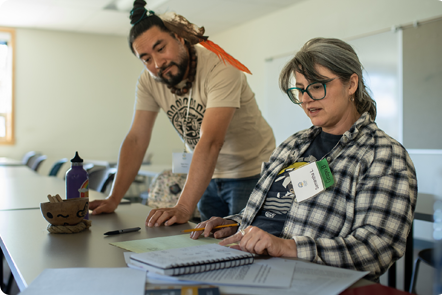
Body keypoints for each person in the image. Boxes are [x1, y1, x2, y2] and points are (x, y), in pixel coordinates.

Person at [190, 37, 417, 282]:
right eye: (299, 88)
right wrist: (235, 223)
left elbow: (375, 250)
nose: (305, 98)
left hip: (308, 279)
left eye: (317, 86)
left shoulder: (384, 155)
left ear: (351, 84)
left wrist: (287, 247)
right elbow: (273, 211)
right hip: (250, 265)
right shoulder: (292, 144)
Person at [89, 0, 276, 226]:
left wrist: (184, 207)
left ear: (179, 38)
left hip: (250, 171)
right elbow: (137, 138)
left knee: (245, 246)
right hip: (206, 175)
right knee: (210, 247)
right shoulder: (148, 81)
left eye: (161, 48)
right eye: (146, 58)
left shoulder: (221, 68)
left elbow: (211, 141)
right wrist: (113, 198)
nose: (158, 63)